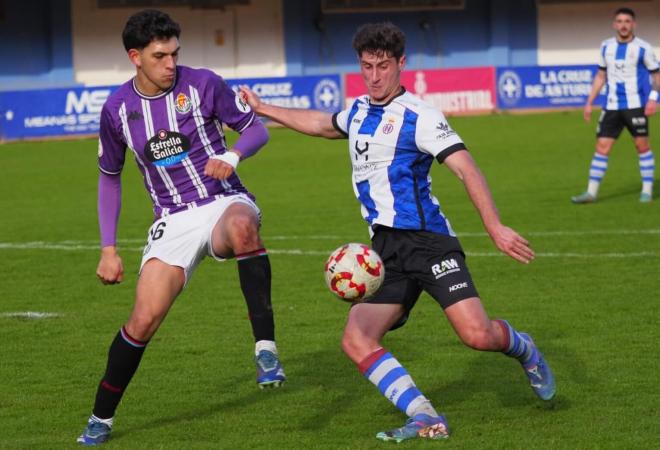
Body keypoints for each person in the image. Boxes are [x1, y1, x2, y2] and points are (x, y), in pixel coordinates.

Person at [240, 22, 555, 443]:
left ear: (401, 64)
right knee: (356, 338)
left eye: (383, 66)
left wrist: (494, 226)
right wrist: (265, 109)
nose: (374, 76)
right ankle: (423, 414)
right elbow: (320, 124)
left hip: (429, 243)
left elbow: (466, 168)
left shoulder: (420, 116)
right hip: (385, 253)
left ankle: (523, 347)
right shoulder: (357, 111)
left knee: (477, 336)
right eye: (367, 66)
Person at [77, 9, 285, 446]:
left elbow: (255, 130)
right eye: (159, 56)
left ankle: (265, 349)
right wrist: (108, 248)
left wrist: (232, 157)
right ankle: (100, 418)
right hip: (171, 220)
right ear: (135, 57)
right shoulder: (117, 110)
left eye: (174, 53)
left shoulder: (203, 83)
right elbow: (109, 177)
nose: (171, 63)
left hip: (222, 200)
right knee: (143, 320)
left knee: (244, 226)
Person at [573, 7, 659, 204]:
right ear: (614, 24)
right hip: (611, 106)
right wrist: (589, 102)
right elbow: (601, 75)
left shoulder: (643, 48)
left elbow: (657, 77)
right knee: (602, 147)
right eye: (619, 21)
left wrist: (653, 98)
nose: (623, 25)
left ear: (633, 24)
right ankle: (591, 193)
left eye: (627, 21)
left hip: (635, 105)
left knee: (641, 145)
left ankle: (646, 190)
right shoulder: (606, 47)